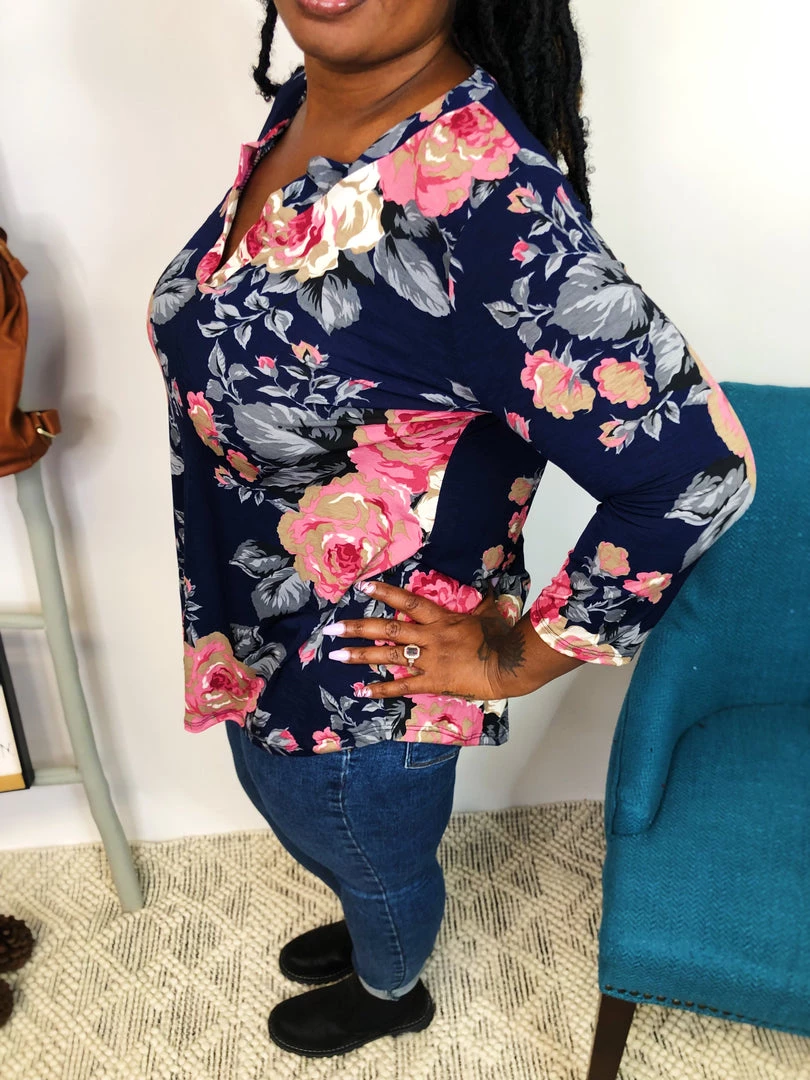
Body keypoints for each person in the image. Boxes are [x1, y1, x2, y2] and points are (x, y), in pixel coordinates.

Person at [146, 0, 757, 1059]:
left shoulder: (486, 206)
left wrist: (518, 658)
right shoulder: (319, 103)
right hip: (262, 629)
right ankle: (367, 916)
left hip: (367, 688)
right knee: (321, 830)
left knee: (371, 857)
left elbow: (696, 470)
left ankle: (392, 986)